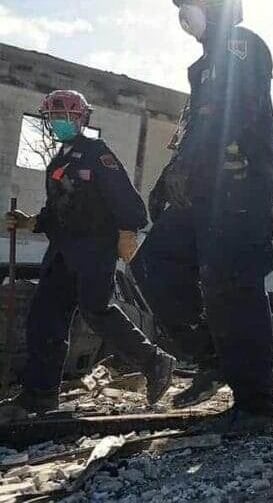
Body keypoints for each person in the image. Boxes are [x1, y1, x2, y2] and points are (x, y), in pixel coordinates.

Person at [131, 0, 273, 432]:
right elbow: (194, 130)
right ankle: (210, 355)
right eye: (178, 4)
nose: (183, 12)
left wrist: (190, 164)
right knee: (150, 265)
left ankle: (256, 403)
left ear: (218, 4)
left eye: (191, 1)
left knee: (233, 285)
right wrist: (165, 182)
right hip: (202, 192)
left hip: (241, 189)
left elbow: (238, 110)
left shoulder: (243, 46)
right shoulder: (200, 70)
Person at [1, 90, 175, 415]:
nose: (61, 123)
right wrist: (29, 222)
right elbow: (55, 212)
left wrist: (127, 234)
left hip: (95, 248)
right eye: (54, 117)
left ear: (82, 119)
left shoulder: (97, 153)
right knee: (45, 317)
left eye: (68, 117)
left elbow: (127, 201)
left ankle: (155, 362)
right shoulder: (57, 162)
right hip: (62, 251)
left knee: (96, 309)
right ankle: (39, 394)